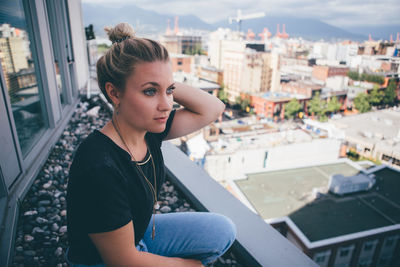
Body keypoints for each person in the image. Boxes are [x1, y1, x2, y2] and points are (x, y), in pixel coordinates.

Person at [65, 22, 236, 267]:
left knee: (222, 230)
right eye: (149, 92)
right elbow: (123, 260)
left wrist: (160, 80)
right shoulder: (99, 166)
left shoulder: (148, 129)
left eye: (170, 91)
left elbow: (213, 108)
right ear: (114, 93)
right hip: (103, 260)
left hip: (137, 233)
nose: (167, 104)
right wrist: (189, 266)